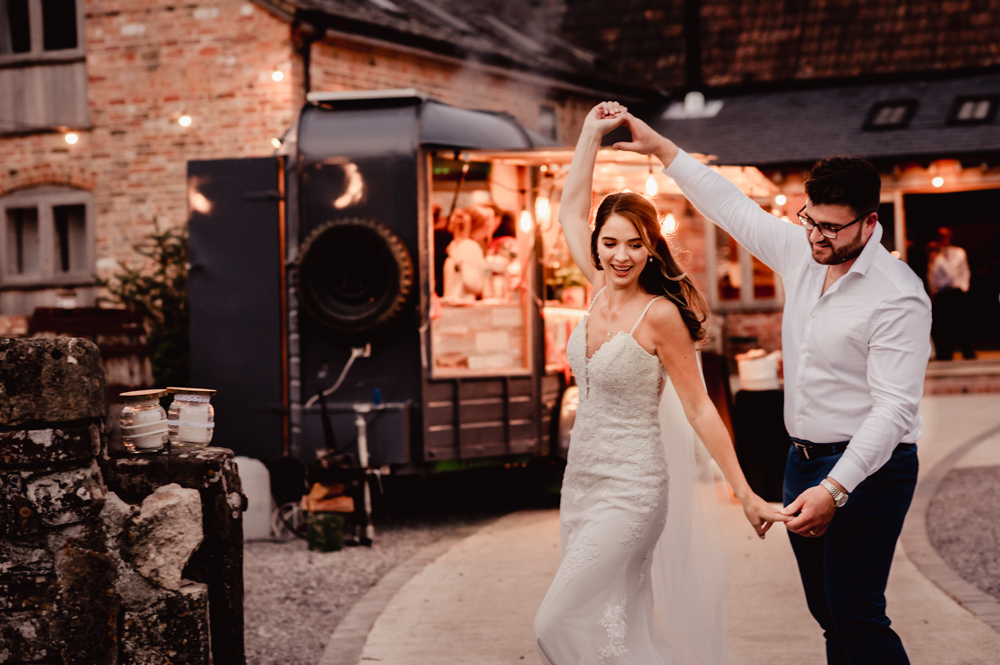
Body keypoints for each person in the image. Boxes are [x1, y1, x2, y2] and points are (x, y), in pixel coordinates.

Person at [614, 109, 932, 665]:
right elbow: (732, 208)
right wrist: (663, 149)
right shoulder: (802, 251)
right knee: (829, 616)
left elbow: (894, 411)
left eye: (831, 228)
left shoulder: (897, 295)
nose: (816, 236)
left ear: (869, 223)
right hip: (800, 462)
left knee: (856, 610)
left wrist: (836, 489)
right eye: (810, 220)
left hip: (872, 469)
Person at [533, 102, 787, 665]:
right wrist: (588, 135)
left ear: (651, 248)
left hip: (633, 489)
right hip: (582, 485)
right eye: (611, 243)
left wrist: (744, 491)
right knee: (611, 622)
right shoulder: (597, 289)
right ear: (598, 244)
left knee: (554, 620)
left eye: (635, 244)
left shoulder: (661, 316)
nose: (621, 256)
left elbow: (699, 409)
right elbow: (571, 208)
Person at [928, 226, 975, 360]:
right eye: (941, 236)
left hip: (957, 291)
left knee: (962, 323)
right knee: (944, 325)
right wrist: (933, 291)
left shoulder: (959, 252)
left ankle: (967, 351)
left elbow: (962, 272)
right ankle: (945, 353)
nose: (944, 239)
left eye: (946, 236)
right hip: (943, 293)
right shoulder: (935, 255)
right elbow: (932, 275)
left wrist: (964, 287)